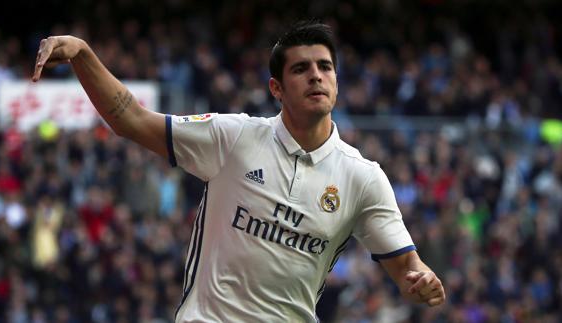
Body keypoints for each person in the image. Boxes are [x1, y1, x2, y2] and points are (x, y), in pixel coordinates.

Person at [32, 21, 445, 322]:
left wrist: (422, 278)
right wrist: (84, 54)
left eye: (325, 67)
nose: (316, 75)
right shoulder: (234, 137)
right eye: (301, 68)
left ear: (336, 81)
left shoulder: (363, 177)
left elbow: (408, 268)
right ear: (276, 89)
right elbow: (133, 121)